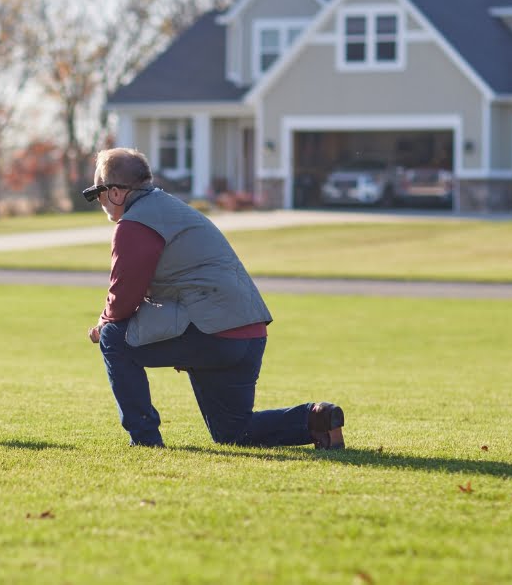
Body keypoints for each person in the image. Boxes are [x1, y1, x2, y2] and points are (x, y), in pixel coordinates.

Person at [85, 147, 345, 449]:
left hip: (212, 333)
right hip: (248, 332)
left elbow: (123, 298)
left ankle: (144, 441)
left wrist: (103, 323)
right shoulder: (171, 209)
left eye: (97, 193)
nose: (99, 202)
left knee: (114, 339)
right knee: (232, 432)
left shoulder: (134, 224)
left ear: (115, 192)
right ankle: (317, 421)